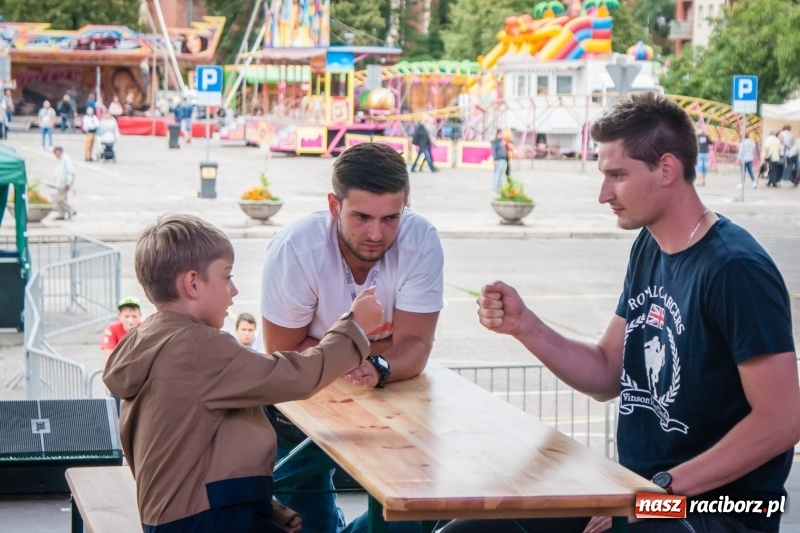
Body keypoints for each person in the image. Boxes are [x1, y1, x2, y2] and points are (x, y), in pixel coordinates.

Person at [450, 93, 800, 533]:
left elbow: (783, 420)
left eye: (617, 175)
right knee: (476, 525)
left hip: (721, 510)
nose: (602, 194)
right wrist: (526, 326)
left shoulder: (735, 268)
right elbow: (607, 373)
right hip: (639, 491)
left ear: (667, 169)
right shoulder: (649, 247)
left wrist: (662, 491)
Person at [103, 213, 383, 533]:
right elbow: (298, 376)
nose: (234, 291)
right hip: (208, 521)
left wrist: (268, 508)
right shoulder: (198, 347)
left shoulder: (146, 340)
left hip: (178, 517)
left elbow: (182, 460)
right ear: (193, 283)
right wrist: (355, 327)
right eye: (226, 277)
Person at [260, 141, 444, 533]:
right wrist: (378, 346)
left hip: (390, 401)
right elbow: (284, 355)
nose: (376, 233)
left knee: (412, 513)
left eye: (391, 218)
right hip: (300, 407)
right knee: (307, 525)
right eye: (361, 217)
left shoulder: (421, 239)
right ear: (333, 205)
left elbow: (417, 347)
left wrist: (372, 362)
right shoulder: (297, 247)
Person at [101, 296, 143, 413]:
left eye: (134, 316)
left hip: (139, 379)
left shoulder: (145, 327)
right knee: (117, 413)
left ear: (140, 315)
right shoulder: (112, 328)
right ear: (119, 316)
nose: (130, 320)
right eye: (126, 316)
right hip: (119, 378)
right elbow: (108, 358)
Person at [52, 146, 76, 220]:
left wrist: (68, 181)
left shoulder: (66, 159)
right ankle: (61, 214)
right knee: (62, 199)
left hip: (64, 183)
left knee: (60, 199)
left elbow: (70, 172)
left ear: (59, 151)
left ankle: (71, 210)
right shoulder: (60, 159)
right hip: (59, 183)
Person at [490, 128, 508, 192]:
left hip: (504, 160)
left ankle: (499, 188)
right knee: (496, 175)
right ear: (498, 134)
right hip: (498, 160)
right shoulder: (495, 142)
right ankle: (494, 188)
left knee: (501, 176)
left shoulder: (502, 142)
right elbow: (493, 151)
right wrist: (495, 159)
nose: (503, 135)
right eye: (501, 134)